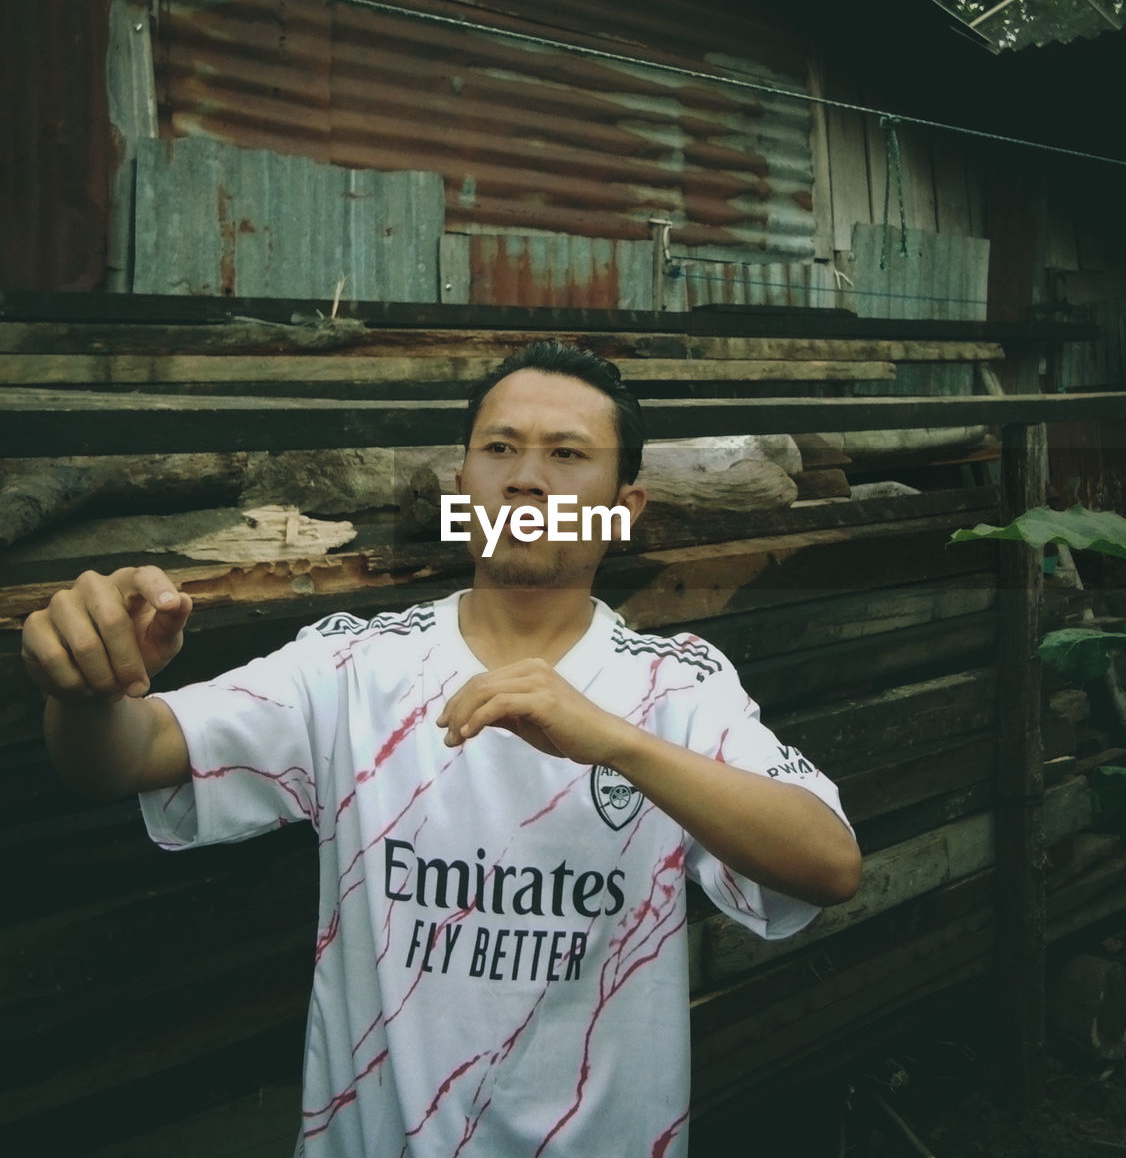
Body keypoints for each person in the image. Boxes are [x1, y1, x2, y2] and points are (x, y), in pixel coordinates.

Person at [22, 340, 861, 1157]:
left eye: (568, 453)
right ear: (464, 485)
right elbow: (121, 759)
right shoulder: (350, 666)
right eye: (500, 448)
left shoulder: (679, 687)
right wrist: (88, 689)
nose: (527, 477)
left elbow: (829, 864)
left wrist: (618, 743)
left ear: (623, 509)